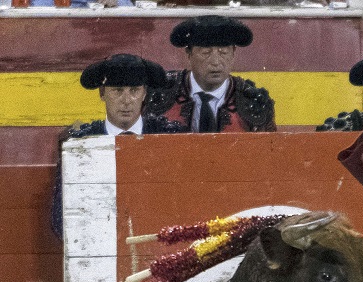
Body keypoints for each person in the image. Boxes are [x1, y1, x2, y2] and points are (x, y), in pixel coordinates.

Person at [52, 54, 185, 238]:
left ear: (145, 93)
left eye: (134, 90)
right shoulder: (80, 143)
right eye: (117, 90)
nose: (126, 100)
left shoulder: (171, 137)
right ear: (102, 93)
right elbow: (61, 221)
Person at [144, 15, 276, 133]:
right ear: (189, 54)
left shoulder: (254, 102)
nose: (215, 62)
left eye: (223, 52)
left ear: (234, 53)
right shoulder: (159, 94)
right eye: (206, 53)